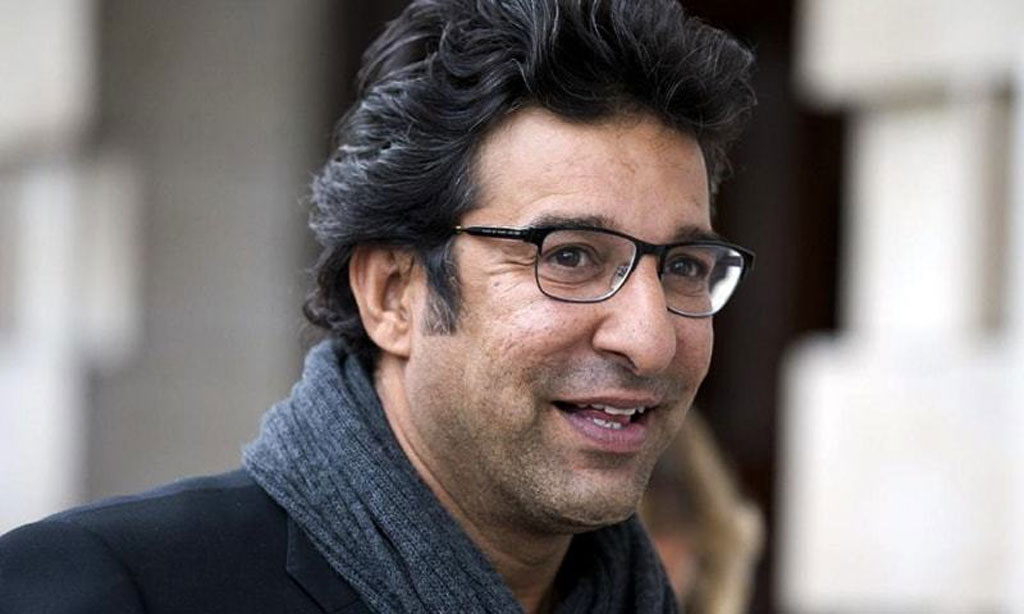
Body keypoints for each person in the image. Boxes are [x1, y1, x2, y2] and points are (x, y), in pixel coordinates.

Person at [0, 0, 756, 612]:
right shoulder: (100, 589)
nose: (651, 339)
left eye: (684, 267)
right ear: (393, 294)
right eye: (569, 256)